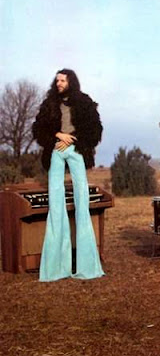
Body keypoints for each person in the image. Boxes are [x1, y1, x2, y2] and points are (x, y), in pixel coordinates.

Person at [32, 69, 104, 281]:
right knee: (56, 204)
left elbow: (95, 129)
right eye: (57, 80)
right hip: (55, 149)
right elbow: (38, 128)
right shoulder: (49, 104)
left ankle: (87, 266)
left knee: (82, 202)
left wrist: (73, 138)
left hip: (76, 149)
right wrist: (58, 135)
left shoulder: (84, 102)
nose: (59, 83)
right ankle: (55, 268)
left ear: (70, 81)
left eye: (62, 80)